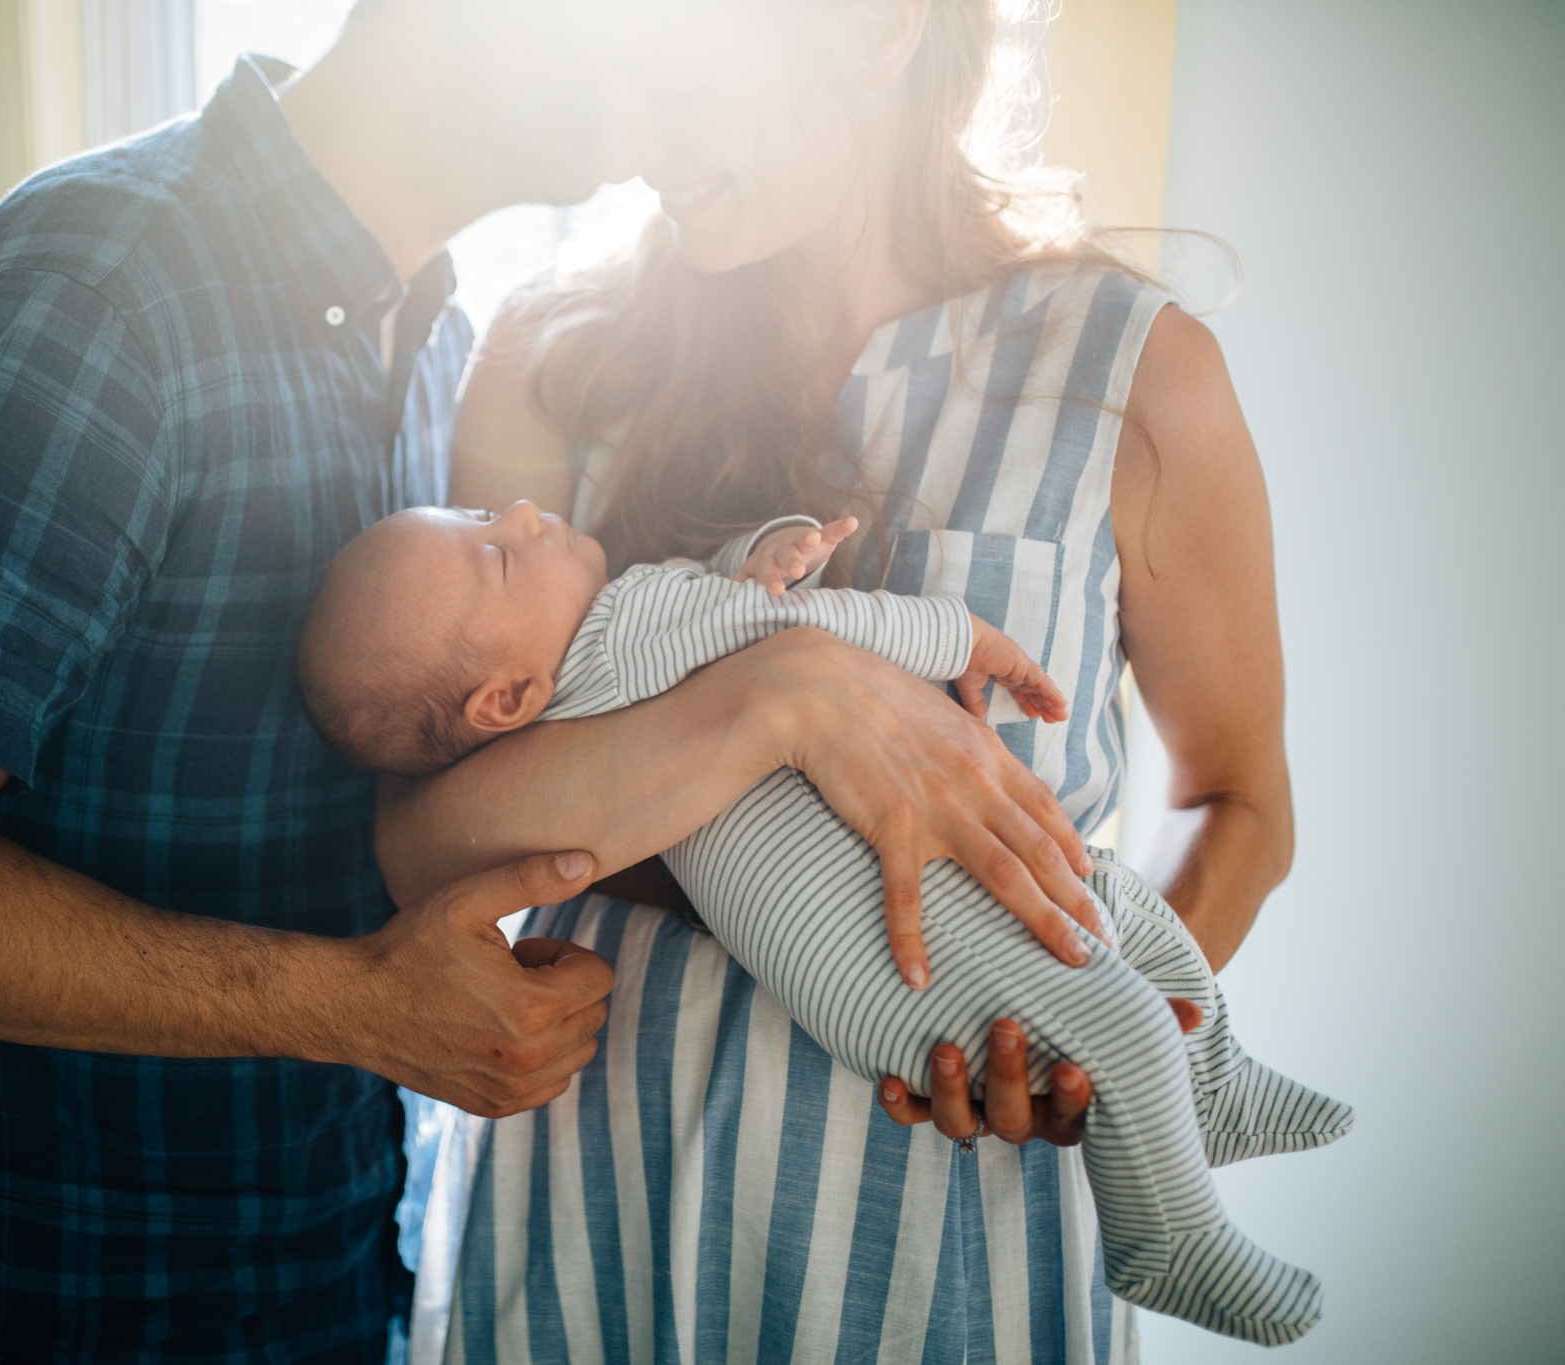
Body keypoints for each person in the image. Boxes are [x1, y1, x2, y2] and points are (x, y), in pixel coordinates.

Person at [378, 0, 1306, 1359]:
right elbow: (429, 843)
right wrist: (779, 694)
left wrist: (1092, 1044)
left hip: (957, 1240)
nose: (620, 146)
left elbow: (1240, 801)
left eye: (674, 88)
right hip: (592, 1210)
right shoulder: (556, 358)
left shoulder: (1130, 379)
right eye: (606, 85)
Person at [0, 5, 636, 1360]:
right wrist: (354, 1002)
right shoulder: (80, 308)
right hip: (48, 1310)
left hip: (326, 1280)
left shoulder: (431, 342)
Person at [302, 504, 1344, 1342]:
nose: (526, 516)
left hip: (858, 986)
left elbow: (709, 619)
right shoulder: (626, 621)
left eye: (486, 511)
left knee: (1113, 918)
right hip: (914, 948)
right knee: (1116, 995)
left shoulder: (578, 687)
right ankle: (1167, 1228)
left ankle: (1210, 1090)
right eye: (492, 551)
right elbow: (807, 634)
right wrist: (958, 636)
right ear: (503, 697)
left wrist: (747, 556)